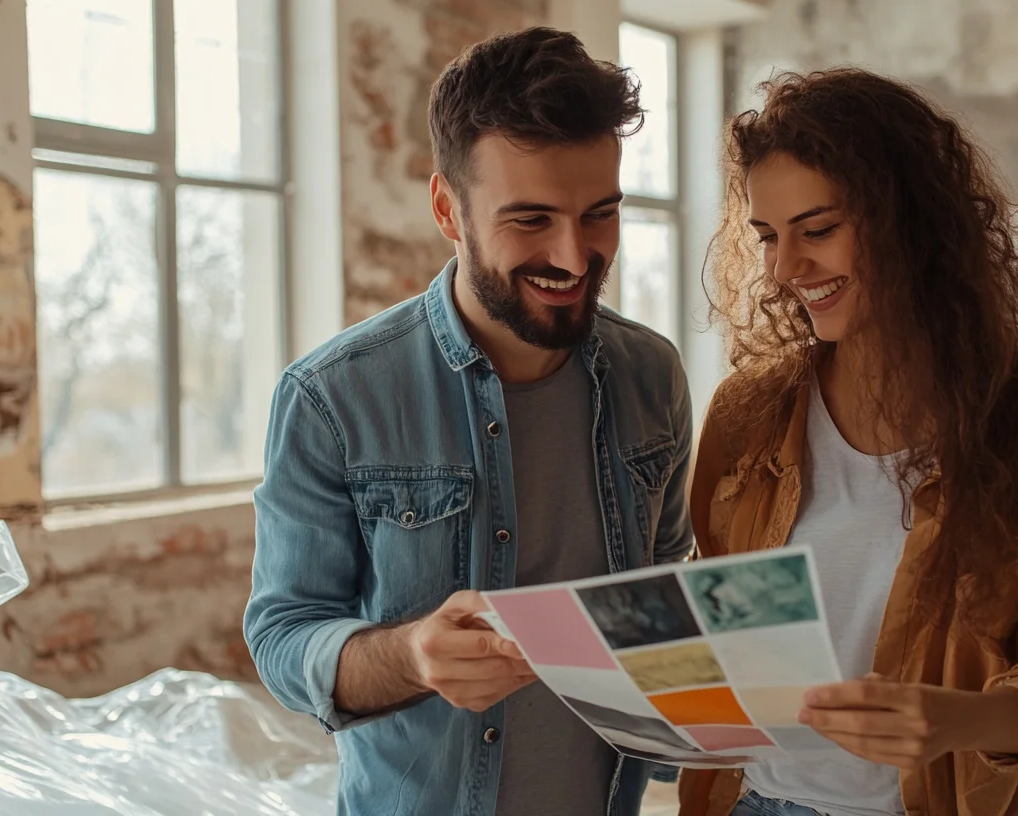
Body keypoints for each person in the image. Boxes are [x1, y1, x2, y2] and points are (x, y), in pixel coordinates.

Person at [244, 27, 693, 816]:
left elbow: (665, 598)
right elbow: (284, 637)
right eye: (531, 220)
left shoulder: (650, 375)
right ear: (449, 210)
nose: (574, 255)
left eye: (600, 215)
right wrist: (414, 656)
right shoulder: (332, 396)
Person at [678, 69, 1018, 816]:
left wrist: (958, 721)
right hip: (751, 802)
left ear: (911, 221)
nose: (784, 268)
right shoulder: (747, 413)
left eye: (819, 230)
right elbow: (718, 624)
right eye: (768, 237)